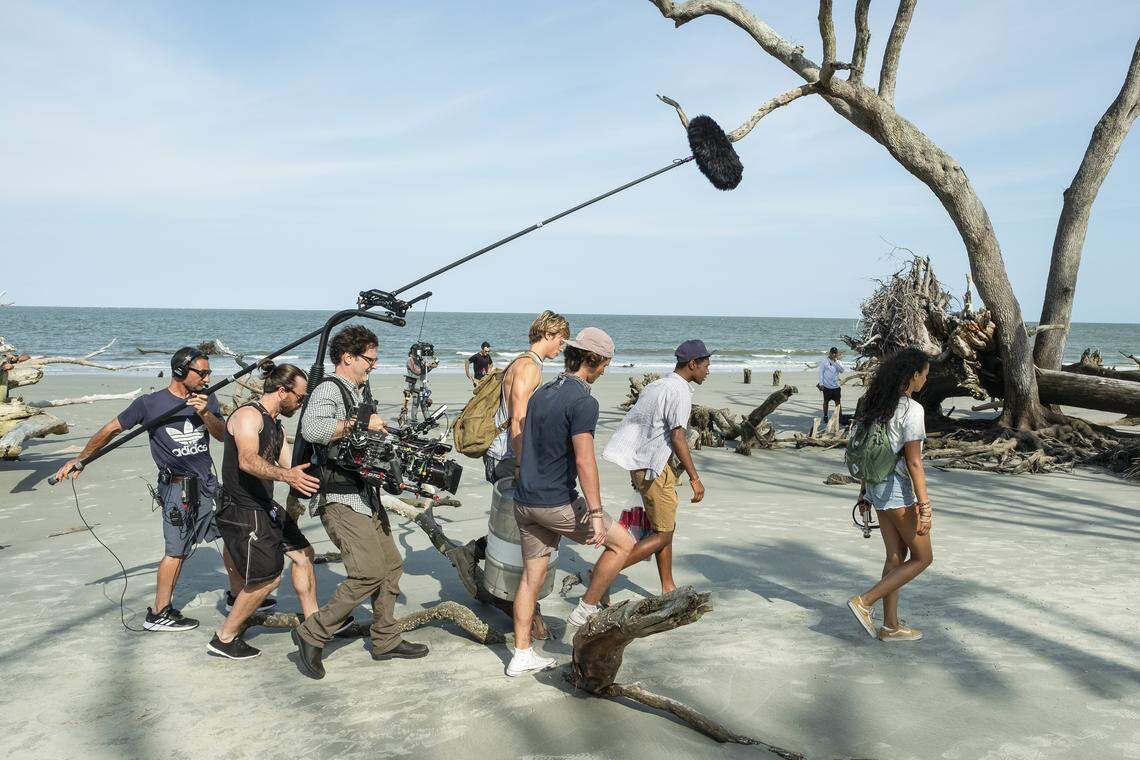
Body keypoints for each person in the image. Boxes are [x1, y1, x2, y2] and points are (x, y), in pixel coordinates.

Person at [53, 347, 246, 632]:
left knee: (231, 537)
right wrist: (82, 459)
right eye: (201, 372)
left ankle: (236, 596)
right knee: (177, 550)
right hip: (178, 490)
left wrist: (205, 412)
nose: (207, 377)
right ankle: (158, 612)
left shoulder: (208, 398)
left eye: (209, 372)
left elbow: (220, 435)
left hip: (208, 485)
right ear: (181, 371)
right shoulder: (149, 404)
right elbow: (111, 429)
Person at [292, 325, 428, 679]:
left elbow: (359, 435)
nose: (374, 365)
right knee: (367, 571)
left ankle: (385, 639)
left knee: (391, 566)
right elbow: (313, 429)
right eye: (370, 359)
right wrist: (359, 422)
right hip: (339, 497)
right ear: (347, 357)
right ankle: (312, 632)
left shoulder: (359, 388)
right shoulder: (328, 389)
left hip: (365, 494)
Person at [506, 327, 634, 677]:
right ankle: (586, 607)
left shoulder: (543, 392)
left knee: (531, 579)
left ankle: (521, 655)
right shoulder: (583, 401)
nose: (607, 368)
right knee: (623, 544)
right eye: (606, 363)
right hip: (555, 504)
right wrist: (594, 513)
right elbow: (583, 460)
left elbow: (524, 440)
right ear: (594, 361)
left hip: (524, 501)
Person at [209, 363, 322, 659]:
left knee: (303, 554)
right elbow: (247, 460)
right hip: (241, 509)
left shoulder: (276, 423)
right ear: (282, 391)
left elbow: (289, 464)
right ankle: (224, 637)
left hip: (264, 505)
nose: (300, 403)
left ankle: (314, 623)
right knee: (267, 580)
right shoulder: (248, 416)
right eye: (299, 397)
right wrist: (289, 477)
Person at [603, 339, 710, 594]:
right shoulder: (680, 392)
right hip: (654, 468)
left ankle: (668, 586)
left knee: (665, 527)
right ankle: (601, 575)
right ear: (692, 364)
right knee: (663, 534)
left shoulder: (658, 385)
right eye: (705, 364)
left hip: (642, 464)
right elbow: (677, 437)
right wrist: (695, 478)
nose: (708, 370)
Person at [848, 347, 934, 643]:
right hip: (896, 491)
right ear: (913, 375)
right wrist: (924, 506)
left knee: (896, 557)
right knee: (923, 557)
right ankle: (865, 601)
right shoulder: (912, 410)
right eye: (924, 375)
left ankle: (891, 626)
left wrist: (864, 493)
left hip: (875, 487)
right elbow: (914, 462)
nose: (925, 380)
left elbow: (869, 451)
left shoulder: (878, 404)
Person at [483, 310, 570, 484]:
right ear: (548, 335)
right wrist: (521, 465)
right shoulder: (529, 367)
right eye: (561, 341)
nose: (562, 348)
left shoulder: (522, 361)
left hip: (503, 454)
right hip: (507, 457)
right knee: (514, 511)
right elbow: (517, 420)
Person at [402, 342, 438, 424]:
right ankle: (414, 420)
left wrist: (431, 366)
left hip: (422, 384)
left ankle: (428, 419)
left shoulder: (420, 359)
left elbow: (424, 372)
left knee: (424, 402)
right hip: (414, 384)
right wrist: (428, 367)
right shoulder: (410, 360)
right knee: (416, 402)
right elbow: (417, 372)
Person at [818, 347, 846, 423]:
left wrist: (834, 362)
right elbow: (821, 373)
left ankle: (839, 416)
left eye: (835, 353)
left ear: (836, 354)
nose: (833, 354)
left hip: (836, 386)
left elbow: (842, 370)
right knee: (826, 402)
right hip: (826, 386)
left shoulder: (838, 362)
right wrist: (821, 384)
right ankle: (826, 416)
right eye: (832, 353)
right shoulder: (824, 361)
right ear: (829, 353)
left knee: (838, 402)